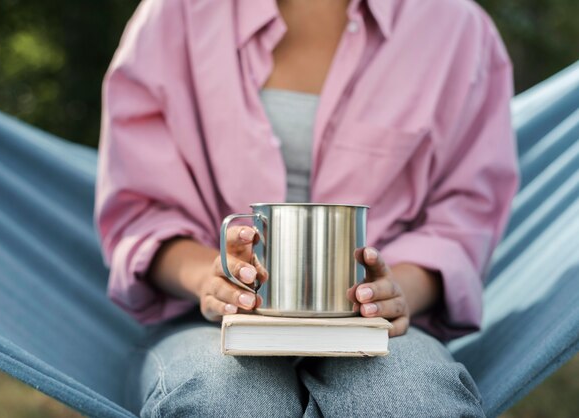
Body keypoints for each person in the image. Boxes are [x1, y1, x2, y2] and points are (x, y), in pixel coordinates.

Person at [95, 0, 518, 416]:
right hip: (202, 322)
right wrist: (208, 276)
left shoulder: (456, 29)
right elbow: (139, 213)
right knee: (226, 400)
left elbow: (464, 218)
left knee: (410, 402)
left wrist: (396, 291)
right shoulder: (175, 14)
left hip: (380, 329)